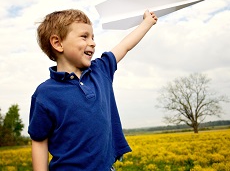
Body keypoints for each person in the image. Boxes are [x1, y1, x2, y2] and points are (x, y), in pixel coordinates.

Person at [28, 9, 157, 170]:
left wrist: (147, 23)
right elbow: (39, 141)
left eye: (93, 37)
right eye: (84, 36)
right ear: (58, 43)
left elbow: (124, 46)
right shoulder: (44, 94)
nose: (93, 43)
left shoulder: (100, 70)